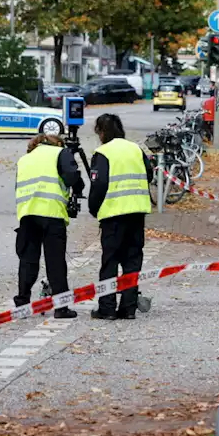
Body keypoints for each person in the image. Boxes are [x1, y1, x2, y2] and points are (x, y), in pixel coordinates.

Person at [88, 113, 153, 320]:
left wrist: (94, 208)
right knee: (132, 261)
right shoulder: (135, 148)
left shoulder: (103, 152)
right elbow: (149, 173)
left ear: (101, 132)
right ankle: (128, 308)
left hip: (114, 214)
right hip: (137, 211)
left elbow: (98, 184)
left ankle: (107, 308)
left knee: (110, 262)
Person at [14, 133, 84, 318]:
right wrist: (78, 189)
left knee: (28, 260)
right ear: (57, 143)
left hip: (27, 213)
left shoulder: (24, 159)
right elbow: (71, 177)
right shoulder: (60, 152)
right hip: (51, 213)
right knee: (55, 261)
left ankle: (22, 304)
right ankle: (61, 307)